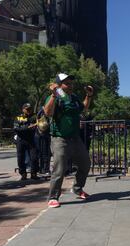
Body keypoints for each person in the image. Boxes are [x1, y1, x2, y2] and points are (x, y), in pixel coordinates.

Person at [44, 73, 94, 208]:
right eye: (67, 83)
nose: (71, 85)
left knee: (85, 163)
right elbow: (48, 112)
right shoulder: (56, 97)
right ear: (59, 85)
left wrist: (88, 96)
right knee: (59, 168)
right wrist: (54, 95)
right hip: (59, 138)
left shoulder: (74, 98)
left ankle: (77, 188)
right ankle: (53, 197)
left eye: (71, 83)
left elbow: (83, 108)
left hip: (75, 138)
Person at [14, 103, 39, 180]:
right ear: (23, 109)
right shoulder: (19, 118)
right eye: (27, 109)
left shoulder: (35, 116)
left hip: (31, 140)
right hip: (21, 140)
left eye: (30, 109)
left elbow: (41, 124)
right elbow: (16, 129)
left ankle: (34, 173)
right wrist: (28, 127)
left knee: (34, 157)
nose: (29, 111)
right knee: (20, 158)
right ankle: (23, 174)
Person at [35, 108, 51, 175]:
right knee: (44, 153)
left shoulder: (44, 113)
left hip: (45, 136)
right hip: (42, 136)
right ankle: (44, 169)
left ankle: (44, 169)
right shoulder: (42, 113)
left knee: (45, 153)